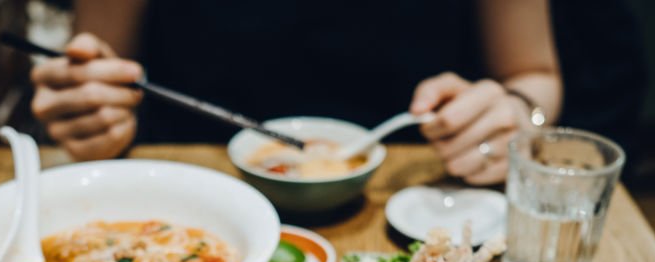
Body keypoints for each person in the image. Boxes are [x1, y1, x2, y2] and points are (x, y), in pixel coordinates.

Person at [30, 0, 565, 185]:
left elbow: (535, 75)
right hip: (189, 196)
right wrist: (93, 113)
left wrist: (517, 116)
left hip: (420, 199)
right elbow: (100, 61)